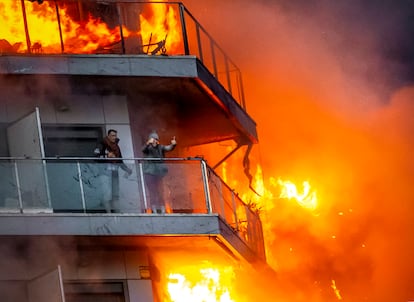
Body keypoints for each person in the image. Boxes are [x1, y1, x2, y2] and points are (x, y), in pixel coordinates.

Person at [94, 129, 132, 213]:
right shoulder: (102, 143)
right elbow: (95, 157)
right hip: (104, 172)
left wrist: (127, 169)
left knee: (115, 194)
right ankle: (108, 213)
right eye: (112, 135)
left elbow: (120, 161)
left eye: (115, 135)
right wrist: (106, 155)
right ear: (108, 136)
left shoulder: (116, 147)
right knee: (106, 194)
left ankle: (116, 213)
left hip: (114, 172)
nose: (114, 137)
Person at [142, 131, 176, 214]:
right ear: (150, 140)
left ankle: (163, 208)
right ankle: (153, 209)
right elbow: (143, 150)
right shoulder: (147, 148)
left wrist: (173, 144)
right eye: (153, 139)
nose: (154, 141)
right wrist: (147, 143)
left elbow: (168, 148)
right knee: (152, 191)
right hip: (149, 174)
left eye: (156, 139)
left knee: (160, 191)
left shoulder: (160, 147)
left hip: (158, 174)